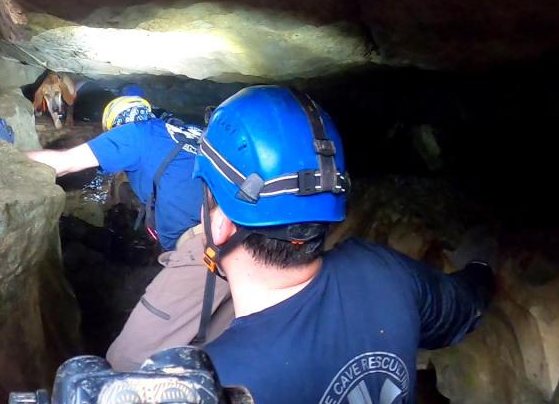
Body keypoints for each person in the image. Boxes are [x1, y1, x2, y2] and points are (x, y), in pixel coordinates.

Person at [192, 85, 495, 403]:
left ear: (222, 224)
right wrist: (482, 264)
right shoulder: (385, 272)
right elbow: (464, 306)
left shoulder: (215, 383)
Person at [0, 95, 233, 371]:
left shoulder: (135, 135)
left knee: (127, 361)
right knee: (220, 343)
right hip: (244, 242)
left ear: (115, 125)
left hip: (205, 251)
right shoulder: (184, 132)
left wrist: (7, 155)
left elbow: (64, 163)